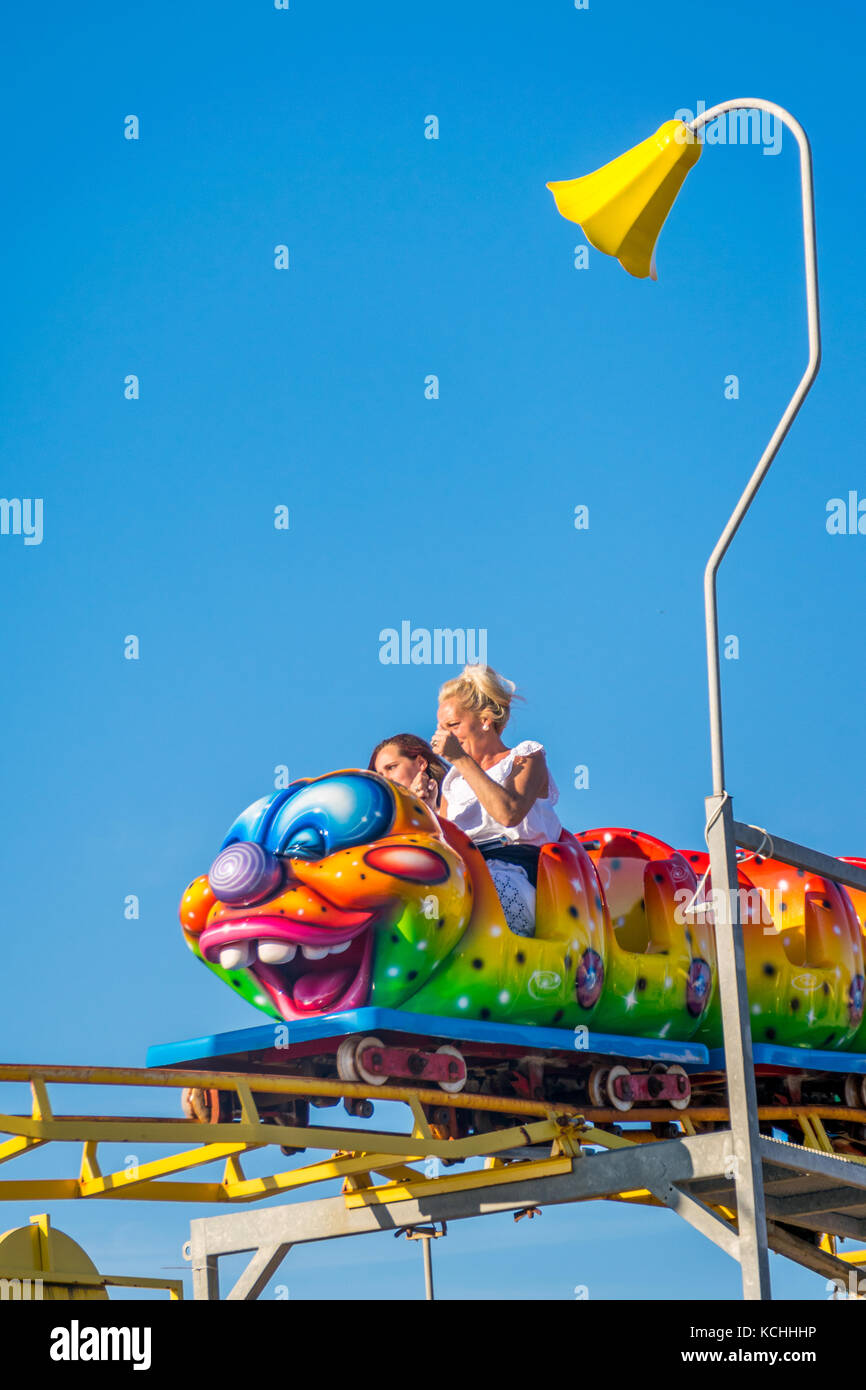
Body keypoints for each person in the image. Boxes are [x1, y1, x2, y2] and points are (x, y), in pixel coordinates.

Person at [431, 665, 561, 937]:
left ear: (485, 720)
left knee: (479, 902)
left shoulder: (525, 756)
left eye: (453, 725)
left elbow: (508, 813)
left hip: (515, 873)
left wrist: (461, 759)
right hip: (463, 874)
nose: (444, 736)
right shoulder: (453, 783)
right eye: (441, 728)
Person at [368, 733, 447, 813]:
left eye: (391, 767)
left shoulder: (455, 807)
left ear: (421, 763)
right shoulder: (383, 823)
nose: (386, 779)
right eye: (380, 775)